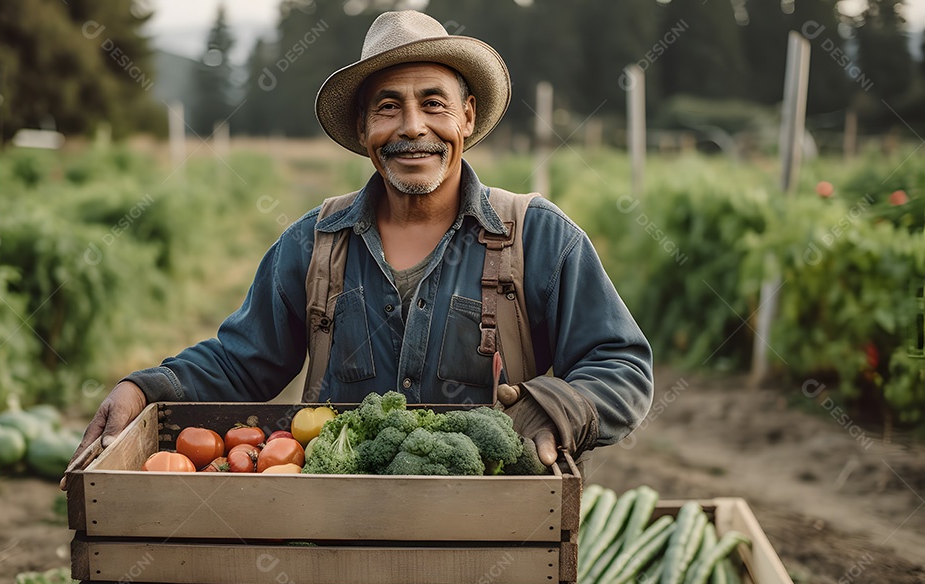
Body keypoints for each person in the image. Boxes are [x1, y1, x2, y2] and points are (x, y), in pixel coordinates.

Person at [62, 10, 652, 487]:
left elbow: (622, 367)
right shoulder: (315, 243)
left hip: (490, 535)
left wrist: (557, 406)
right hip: (334, 535)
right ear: (366, 129)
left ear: (467, 116)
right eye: (388, 107)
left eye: (434, 103)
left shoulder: (538, 235)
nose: (412, 127)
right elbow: (241, 360)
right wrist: (145, 387)